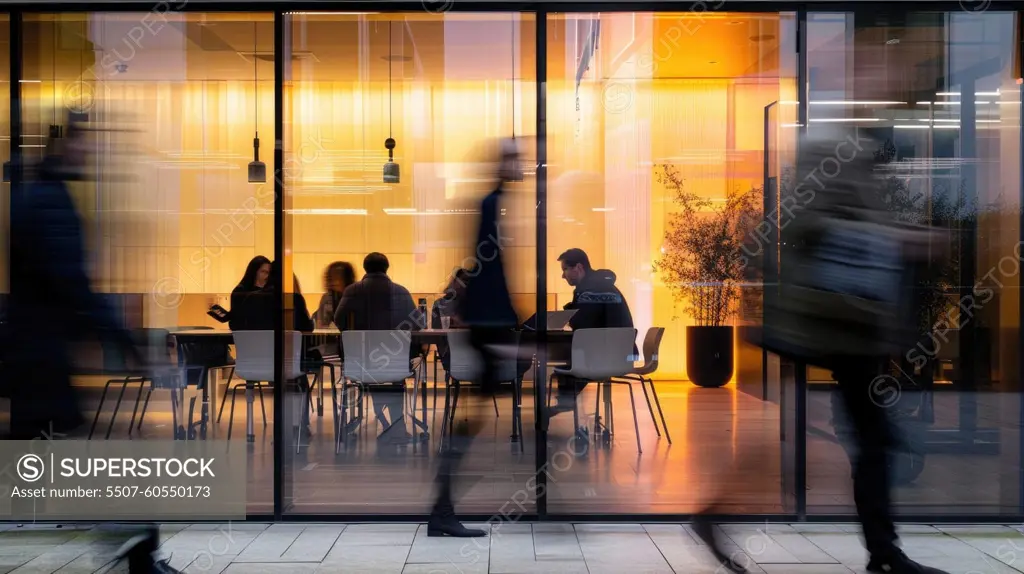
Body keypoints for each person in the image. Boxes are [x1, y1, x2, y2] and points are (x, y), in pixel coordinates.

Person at [4, 111, 179, 573]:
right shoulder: (49, 202)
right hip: (38, 358)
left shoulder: (39, 197)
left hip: (34, 355)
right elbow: (71, 282)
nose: (93, 154)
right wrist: (125, 339)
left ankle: (138, 547)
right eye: (87, 144)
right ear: (65, 144)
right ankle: (139, 548)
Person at [428, 138, 521, 538]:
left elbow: (488, 265)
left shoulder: (496, 204)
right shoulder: (491, 205)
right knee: (472, 420)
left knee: (475, 418)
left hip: (490, 322)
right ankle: (442, 508)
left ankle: (442, 508)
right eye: (515, 160)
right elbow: (487, 266)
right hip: (489, 324)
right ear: (503, 164)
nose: (521, 167)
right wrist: (502, 321)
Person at [334, 252, 423, 443]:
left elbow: (338, 319)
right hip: (394, 364)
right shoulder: (401, 291)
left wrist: (354, 336)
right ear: (387, 268)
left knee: (375, 371)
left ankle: (385, 423)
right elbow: (418, 323)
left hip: (361, 364)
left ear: (365, 268)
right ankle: (396, 426)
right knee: (394, 377)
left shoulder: (351, 291)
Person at [550, 248, 636, 443]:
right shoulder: (604, 286)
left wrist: (569, 312)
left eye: (565, 270)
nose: (563, 276)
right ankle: (565, 404)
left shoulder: (588, 290)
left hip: (604, 356)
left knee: (568, 364)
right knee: (572, 362)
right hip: (622, 355)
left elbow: (582, 324)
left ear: (578, 267)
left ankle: (563, 405)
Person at [431, 268, 471, 372]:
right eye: (463, 281)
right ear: (454, 282)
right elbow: (437, 332)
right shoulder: (440, 304)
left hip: (470, 353)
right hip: (451, 353)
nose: (465, 285)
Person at [227, 256, 271, 331]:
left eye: (269, 273)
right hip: (247, 335)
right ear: (254, 272)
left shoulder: (270, 292)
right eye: (263, 272)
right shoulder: (240, 291)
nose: (267, 276)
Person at [315, 261, 356, 328]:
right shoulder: (327, 298)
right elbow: (321, 324)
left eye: (335, 276)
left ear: (347, 279)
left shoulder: (357, 297)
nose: (330, 281)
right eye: (328, 277)